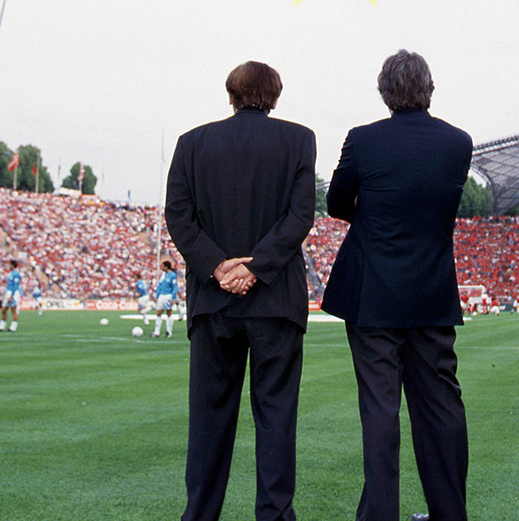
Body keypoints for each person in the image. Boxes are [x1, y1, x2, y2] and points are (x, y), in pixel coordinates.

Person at [322, 49, 472, 521]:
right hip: (431, 291)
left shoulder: (363, 140)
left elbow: (335, 202)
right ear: (429, 88)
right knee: (442, 406)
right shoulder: (458, 143)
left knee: (380, 410)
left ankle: (380, 515)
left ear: (385, 91)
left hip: (374, 293)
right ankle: (450, 514)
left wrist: (373, 216)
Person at [165, 60, 316, 521]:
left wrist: (217, 267)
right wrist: (258, 268)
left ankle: (200, 514)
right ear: (275, 96)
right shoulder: (298, 139)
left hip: (213, 303)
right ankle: (273, 515)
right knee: (275, 419)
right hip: (275, 302)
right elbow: (300, 215)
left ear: (230, 93)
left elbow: (178, 215)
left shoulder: (192, 144)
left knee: (209, 422)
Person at [152, 260, 181, 338]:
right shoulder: (163, 275)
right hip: (162, 296)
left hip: (168, 296)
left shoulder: (172, 275)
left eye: (162, 266)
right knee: (158, 313)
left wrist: (172, 298)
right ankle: (156, 332)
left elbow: (175, 287)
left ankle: (169, 331)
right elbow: (159, 286)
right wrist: (157, 296)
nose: (161, 267)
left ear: (166, 266)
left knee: (168, 313)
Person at [0, 259, 23, 332]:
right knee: (4, 309)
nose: (8, 266)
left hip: (14, 293)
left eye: (9, 264)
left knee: (13, 310)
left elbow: (15, 285)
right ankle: (2, 326)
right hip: (8, 292)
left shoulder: (16, 274)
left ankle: (13, 327)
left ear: (12, 265)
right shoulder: (11, 273)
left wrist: (12, 295)